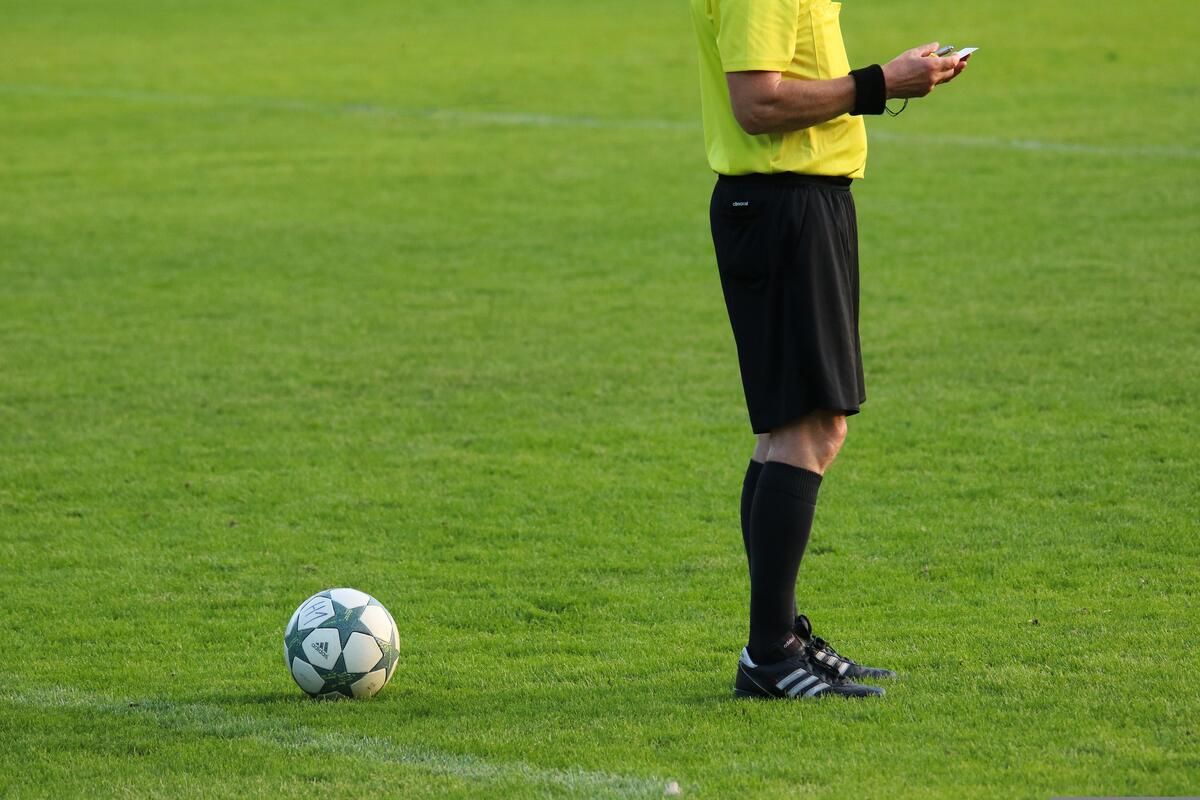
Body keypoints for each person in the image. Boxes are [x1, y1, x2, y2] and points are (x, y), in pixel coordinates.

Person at [689, 0, 968, 699]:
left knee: (795, 429)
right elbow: (756, 103)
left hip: (802, 203)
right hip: (782, 206)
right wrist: (880, 83)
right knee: (811, 429)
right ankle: (769, 655)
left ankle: (776, 641)